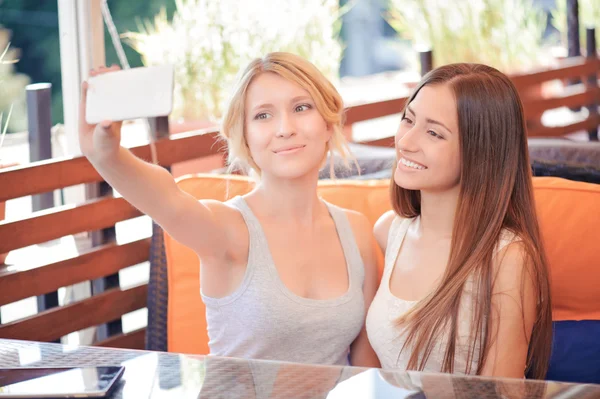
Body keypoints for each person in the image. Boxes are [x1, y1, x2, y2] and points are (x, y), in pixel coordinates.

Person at [79, 52, 379, 367]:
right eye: (263, 115)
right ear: (245, 137)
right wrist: (106, 154)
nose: (285, 128)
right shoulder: (227, 230)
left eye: (301, 108)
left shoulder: (356, 231)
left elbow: (364, 363)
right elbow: (168, 199)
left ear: (329, 124)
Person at [366, 63, 552, 378]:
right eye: (408, 120)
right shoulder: (388, 231)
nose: (406, 142)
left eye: (434, 133)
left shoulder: (508, 257)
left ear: (480, 152)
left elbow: (501, 393)